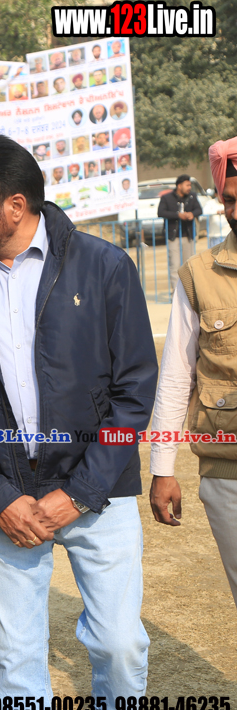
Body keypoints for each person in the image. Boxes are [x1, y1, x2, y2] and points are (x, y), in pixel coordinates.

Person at [0, 135, 156, 706]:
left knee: (120, 645)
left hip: (99, 491)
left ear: (15, 205)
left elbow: (133, 392)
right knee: (13, 657)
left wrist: (80, 493)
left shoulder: (104, 266)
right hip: (4, 498)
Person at [150, 137, 237, 609]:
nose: (236, 210)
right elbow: (176, 378)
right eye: (230, 199)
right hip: (229, 474)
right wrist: (163, 468)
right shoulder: (197, 275)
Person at [158, 175, 204, 296]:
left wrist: (191, 214)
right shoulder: (167, 198)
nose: (189, 187)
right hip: (173, 236)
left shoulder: (192, 196)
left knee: (189, 265)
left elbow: (199, 210)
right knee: (175, 265)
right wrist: (178, 215)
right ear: (179, 186)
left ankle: (189, 293)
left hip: (188, 235)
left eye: (190, 185)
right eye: (187, 185)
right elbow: (161, 212)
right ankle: (176, 293)